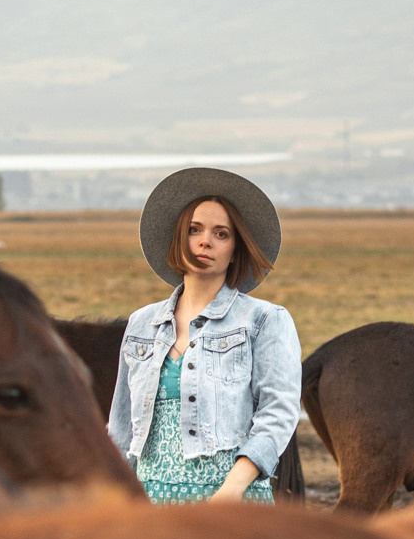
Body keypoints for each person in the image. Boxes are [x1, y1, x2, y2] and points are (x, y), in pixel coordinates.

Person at [109, 168, 303, 504]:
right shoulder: (141, 323)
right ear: (178, 238)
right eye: (194, 229)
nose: (205, 241)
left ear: (236, 249)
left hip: (230, 505)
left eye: (221, 234)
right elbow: (120, 426)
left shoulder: (266, 321)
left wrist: (231, 490)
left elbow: (278, 413)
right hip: (149, 503)